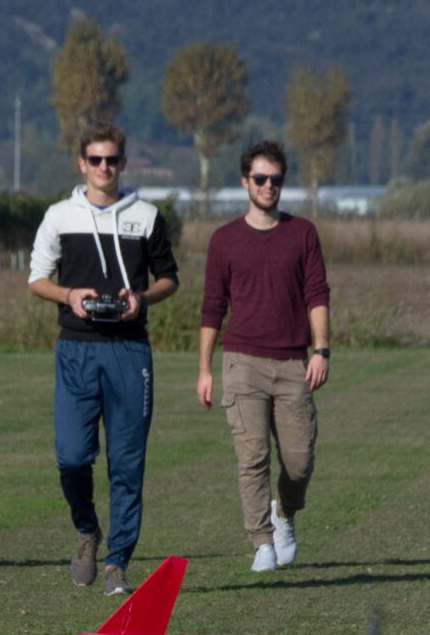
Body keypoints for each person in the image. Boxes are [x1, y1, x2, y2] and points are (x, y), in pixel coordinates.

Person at [25, 123, 179, 597]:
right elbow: (36, 279)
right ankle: (87, 529)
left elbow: (169, 278)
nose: (104, 168)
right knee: (72, 456)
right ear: (82, 164)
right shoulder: (58, 216)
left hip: (130, 351)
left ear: (123, 164)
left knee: (127, 463)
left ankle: (118, 563)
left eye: (112, 160)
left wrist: (143, 299)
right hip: (76, 347)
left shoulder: (147, 216)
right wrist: (69, 294)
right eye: (96, 160)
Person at [196, 139, 330, 573]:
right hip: (241, 363)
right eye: (260, 179)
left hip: (293, 362)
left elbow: (317, 295)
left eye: (275, 179)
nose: (268, 186)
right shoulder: (224, 241)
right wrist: (204, 370)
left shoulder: (302, 234)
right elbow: (212, 307)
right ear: (245, 182)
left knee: (299, 461)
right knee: (252, 456)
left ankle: (285, 514)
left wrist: (321, 349)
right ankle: (262, 543)